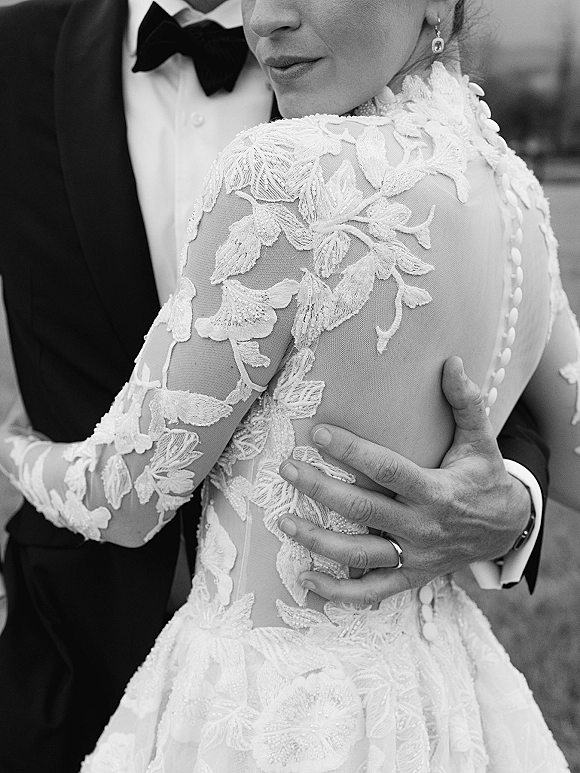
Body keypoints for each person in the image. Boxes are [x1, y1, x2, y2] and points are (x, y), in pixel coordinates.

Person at [0, 0, 575, 770]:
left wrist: (16, 447)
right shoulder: (517, 195)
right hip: (433, 702)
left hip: (245, 704)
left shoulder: (282, 168)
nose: (262, 17)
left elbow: (128, 494)